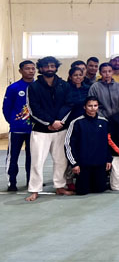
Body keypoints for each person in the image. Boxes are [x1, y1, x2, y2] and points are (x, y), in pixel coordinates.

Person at [25, 56, 73, 201]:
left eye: (52, 66)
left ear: (56, 67)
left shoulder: (64, 85)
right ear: (41, 68)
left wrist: (59, 122)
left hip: (61, 129)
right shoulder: (33, 87)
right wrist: (50, 122)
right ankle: (34, 190)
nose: (50, 68)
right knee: (37, 161)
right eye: (46, 66)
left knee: (61, 160)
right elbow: (33, 109)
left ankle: (60, 186)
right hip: (40, 130)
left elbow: (69, 104)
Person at [64, 97, 111, 195]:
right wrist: (74, 164)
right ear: (84, 107)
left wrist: (108, 159)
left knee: (99, 190)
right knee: (82, 191)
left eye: (95, 106)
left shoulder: (104, 122)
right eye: (90, 106)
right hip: (83, 164)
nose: (93, 108)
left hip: (100, 163)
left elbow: (109, 143)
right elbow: (68, 144)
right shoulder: (76, 122)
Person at [4, 60, 35, 191]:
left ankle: (31, 181)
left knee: (32, 157)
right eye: (27, 68)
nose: (31, 71)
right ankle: (12, 182)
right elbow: (6, 108)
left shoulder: (38, 86)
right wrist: (13, 122)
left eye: (33, 68)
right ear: (20, 71)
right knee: (13, 157)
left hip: (34, 129)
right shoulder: (13, 88)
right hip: (17, 129)